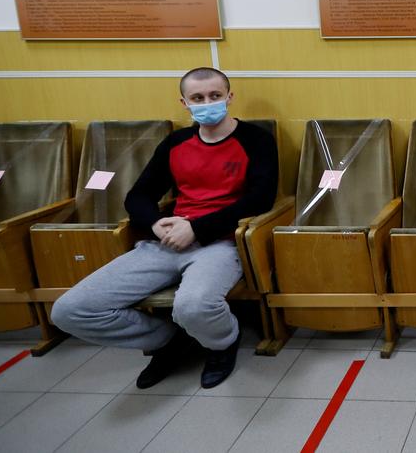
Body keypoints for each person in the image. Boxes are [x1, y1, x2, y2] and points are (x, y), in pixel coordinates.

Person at [51, 68, 277, 390]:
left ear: (229, 97)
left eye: (215, 96)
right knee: (69, 311)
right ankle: (167, 339)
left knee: (193, 306)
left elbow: (260, 200)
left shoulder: (256, 140)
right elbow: (138, 196)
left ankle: (221, 343)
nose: (207, 103)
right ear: (184, 103)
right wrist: (156, 224)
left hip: (221, 242)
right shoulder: (176, 143)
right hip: (166, 241)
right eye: (197, 98)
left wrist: (196, 229)